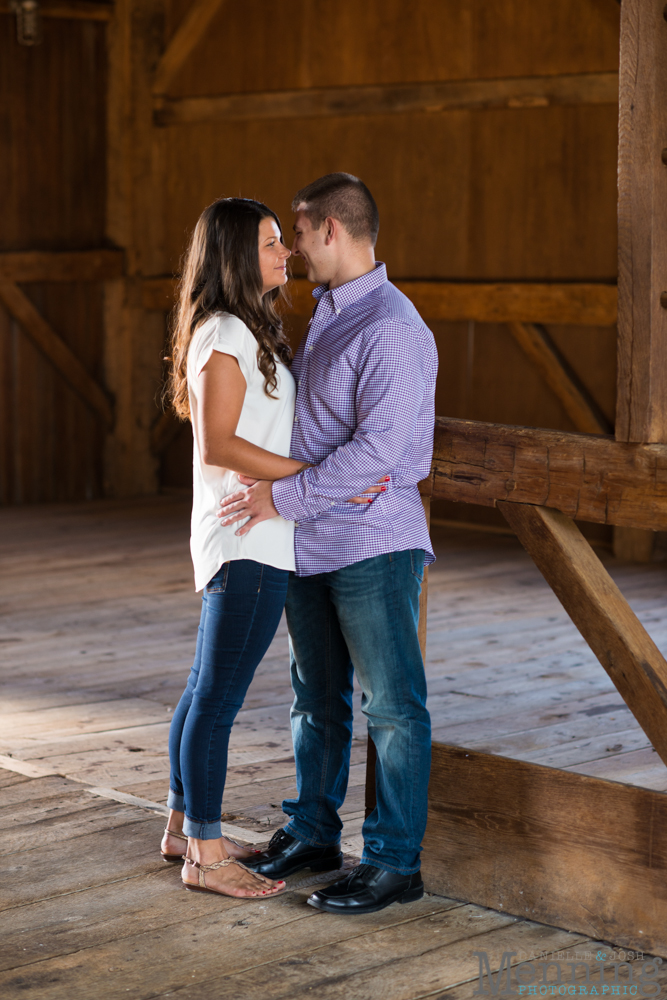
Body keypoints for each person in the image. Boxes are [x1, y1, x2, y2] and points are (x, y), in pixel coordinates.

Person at [218, 173, 438, 915]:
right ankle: (313, 833)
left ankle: (392, 863)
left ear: (332, 232)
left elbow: (378, 452)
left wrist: (282, 495)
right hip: (310, 541)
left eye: (296, 235)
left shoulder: (391, 327)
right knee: (315, 700)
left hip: (372, 543)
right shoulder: (331, 318)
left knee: (392, 708)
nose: (289, 249)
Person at [161, 196, 380, 900]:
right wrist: (317, 480)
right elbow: (219, 443)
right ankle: (205, 851)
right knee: (217, 701)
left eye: (283, 240)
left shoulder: (242, 327)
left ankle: (180, 828)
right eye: (268, 242)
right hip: (247, 538)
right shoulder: (223, 330)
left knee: (202, 690)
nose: (284, 252)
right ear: (232, 255)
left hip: (251, 534)